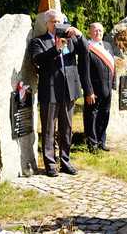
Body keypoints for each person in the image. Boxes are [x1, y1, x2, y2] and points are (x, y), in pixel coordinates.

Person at [29, 9, 90, 177]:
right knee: (49, 129)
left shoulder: (70, 40)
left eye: (60, 21)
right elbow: (37, 59)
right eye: (54, 21)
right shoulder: (38, 42)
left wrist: (79, 34)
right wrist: (55, 49)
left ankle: (65, 161)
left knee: (66, 128)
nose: (57, 24)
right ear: (47, 23)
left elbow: (85, 51)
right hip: (50, 90)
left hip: (68, 90)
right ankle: (50, 163)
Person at [82, 22, 114, 153]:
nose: (98, 33)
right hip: (94, 90)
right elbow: (84, 71)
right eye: (95, 31)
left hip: (107, 89)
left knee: (104, 115)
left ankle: (101, 141)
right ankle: (92, 143)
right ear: (90, 32)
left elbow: (113, 66)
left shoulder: (107, 46)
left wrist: (113, 84)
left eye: (100, 31)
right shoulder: (87, 48)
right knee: (92, 116)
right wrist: (88, 91)